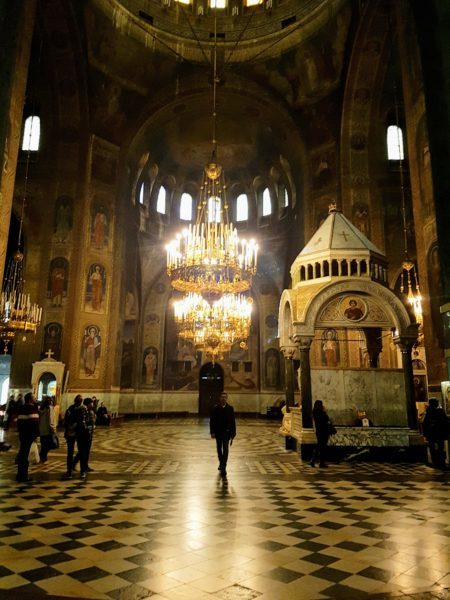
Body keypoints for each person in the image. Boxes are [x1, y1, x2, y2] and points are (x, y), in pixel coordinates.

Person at [210, 392, 236, 476]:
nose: (223, 398)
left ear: (227, 398)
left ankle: (223, 466)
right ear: (219, 398)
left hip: (227, 433)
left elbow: (233, 421)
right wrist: (212, 432)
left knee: (225, 448)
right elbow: (212, 421)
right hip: (218, 432)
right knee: (219, 449)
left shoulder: (230, 408)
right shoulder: (215, 408)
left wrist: (233, 433)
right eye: (222, 397)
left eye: (225, 397)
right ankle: (221, 462)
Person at [16, 392, 40, 483]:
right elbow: (34, 423)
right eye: (34, 397)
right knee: (25, 456)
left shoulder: (22, 408)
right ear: (30, 399)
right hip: (29, 435)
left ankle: (20, 474)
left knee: (22, 454)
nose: (36, 399)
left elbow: (19, 422)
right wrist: (35, 435)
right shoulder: (31, 408)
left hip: (23, 434)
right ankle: (23, 476)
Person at [63, 395, 89, 479]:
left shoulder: (79, 409)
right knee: (75, 453)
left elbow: (84, 421)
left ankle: (74, 471)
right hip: (74, 432)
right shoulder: (76, 409)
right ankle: (73, 471)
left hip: (78, 432)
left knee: (77, 452)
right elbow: (85, 421)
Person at [422, 398, 450, 470]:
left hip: (431, 433)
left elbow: (424, 423)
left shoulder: (428, 412)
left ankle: (435, 461)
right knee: (440, 447)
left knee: (432, 448)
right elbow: (445, 422)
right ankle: (441, 462)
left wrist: (425, 434)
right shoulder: (440, 412)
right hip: (439, 433)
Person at [73, 398, 95, 473]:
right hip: (84, 434)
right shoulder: (83, 411)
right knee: (82, 451)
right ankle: (77, 464)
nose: (93, 404)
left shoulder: (91, 411)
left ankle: (85, 466)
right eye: (91, 403)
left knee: (86, 451)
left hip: (89, 433)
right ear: (88, 404)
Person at [310, 399, 332, 468]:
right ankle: (320, 462)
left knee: (319, 446)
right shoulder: (322, 413)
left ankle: (314, 460)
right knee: (322, 447)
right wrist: (325, 412)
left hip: (318, 431)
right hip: (324, 431)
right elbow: (327, 420)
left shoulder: (314, 412)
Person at [39, 396, 57, 462]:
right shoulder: (50, 408)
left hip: (42, 429)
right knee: (49, 444)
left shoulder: (41, 408)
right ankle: (42, 456)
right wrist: (52, 428)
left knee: (43, 444)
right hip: (48, 429)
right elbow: (51, 419)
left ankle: (43, 456)